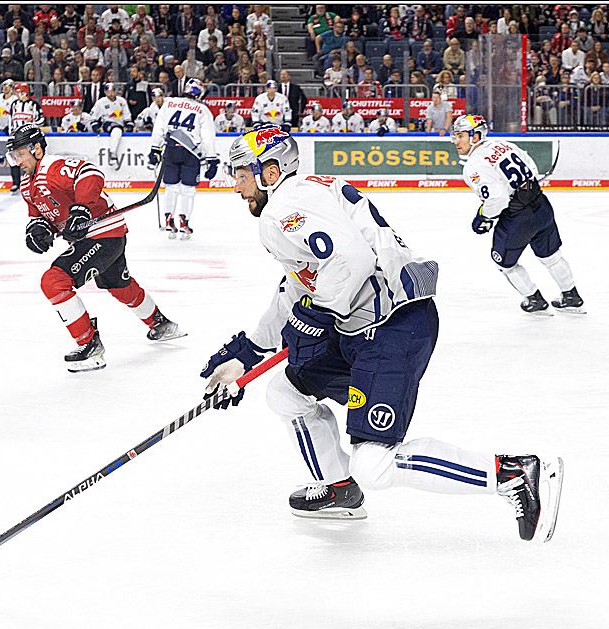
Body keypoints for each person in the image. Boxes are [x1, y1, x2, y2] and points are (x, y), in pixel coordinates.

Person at [204, 124, 564, 542]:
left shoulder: (282, 209)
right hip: (364, 322)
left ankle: (512, 475)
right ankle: (338, 489)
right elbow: (298, 285)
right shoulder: (306, 192)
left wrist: (317, 318)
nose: (235, 187)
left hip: (391, 326)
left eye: (241, 174)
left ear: (269, 171)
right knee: (285, 392)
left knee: (374, 464)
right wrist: (247, 352)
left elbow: (350, 261)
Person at [8, 123, 185, 373]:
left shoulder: (53, 167)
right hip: (99, 238)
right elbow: (40, 214)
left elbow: (90, 174)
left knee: (54, 281)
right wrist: (39, 230)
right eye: (13, 156)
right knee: (119, 286)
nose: (17, 161)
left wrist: (81, 209)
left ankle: (90, 345)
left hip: (103, 233)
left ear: (37, 149)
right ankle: (161, 324)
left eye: (20, 154)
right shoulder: (27, 184)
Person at [453, 115, 584, 314]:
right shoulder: (503, 145)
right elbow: (531, 166)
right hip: (541, 205)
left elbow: (497, 198)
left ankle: (534, 300)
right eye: (455, 136)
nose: (456, 141)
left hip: (517, 218)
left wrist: (484, 217)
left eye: (460, 136)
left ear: (476, 136)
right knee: (551, 256)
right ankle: (571, 296)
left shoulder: (474, 165)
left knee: (504, 262)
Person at [147, 78, 219, 239]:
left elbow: (159, 127)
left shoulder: (169, 103)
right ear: (199, 93)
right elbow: (208, 138)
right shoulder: (202, 109)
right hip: (190, 153)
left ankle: (168, 216)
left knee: (170, 187)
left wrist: (154, 149)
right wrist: (212, 160)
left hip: (171, 149)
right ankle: (183, 220)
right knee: (188, 189)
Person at [89, 82, 133, 171]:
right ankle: (113, 153)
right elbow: (92, 116)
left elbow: (127, 115)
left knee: (119, 129)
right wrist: (95, 125)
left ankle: (114, 151)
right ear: (105, 92)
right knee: (116, 129)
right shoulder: (101, 102)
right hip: (107, 123)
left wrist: (129, 124)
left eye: (112, 91)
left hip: (120, 124)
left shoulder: (122, 101)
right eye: (108, 92)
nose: (111, 94)